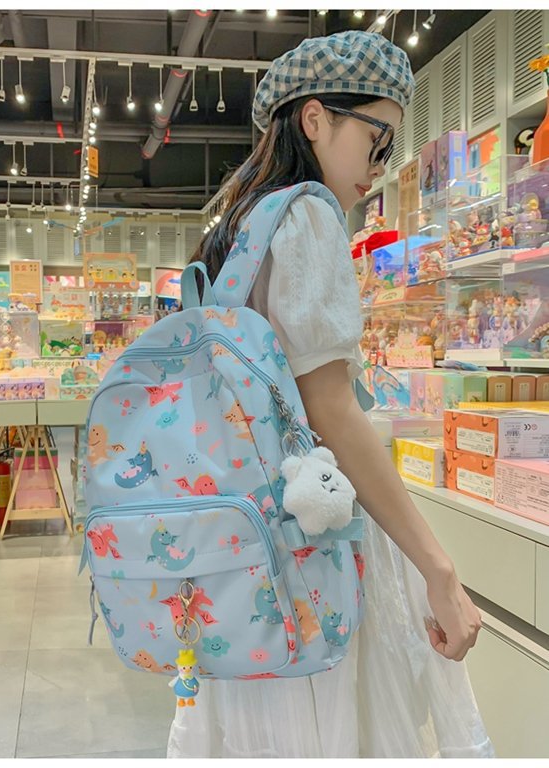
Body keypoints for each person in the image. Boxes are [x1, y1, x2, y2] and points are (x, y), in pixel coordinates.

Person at [168, 30, 494, 759]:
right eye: (378, 141)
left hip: (245, 542)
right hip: (314, 543)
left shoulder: (240, 226)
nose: (379, 171)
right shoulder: (309, 213)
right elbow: (331, 412)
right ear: (315, 119)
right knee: (339, 726)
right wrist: (438, 568)